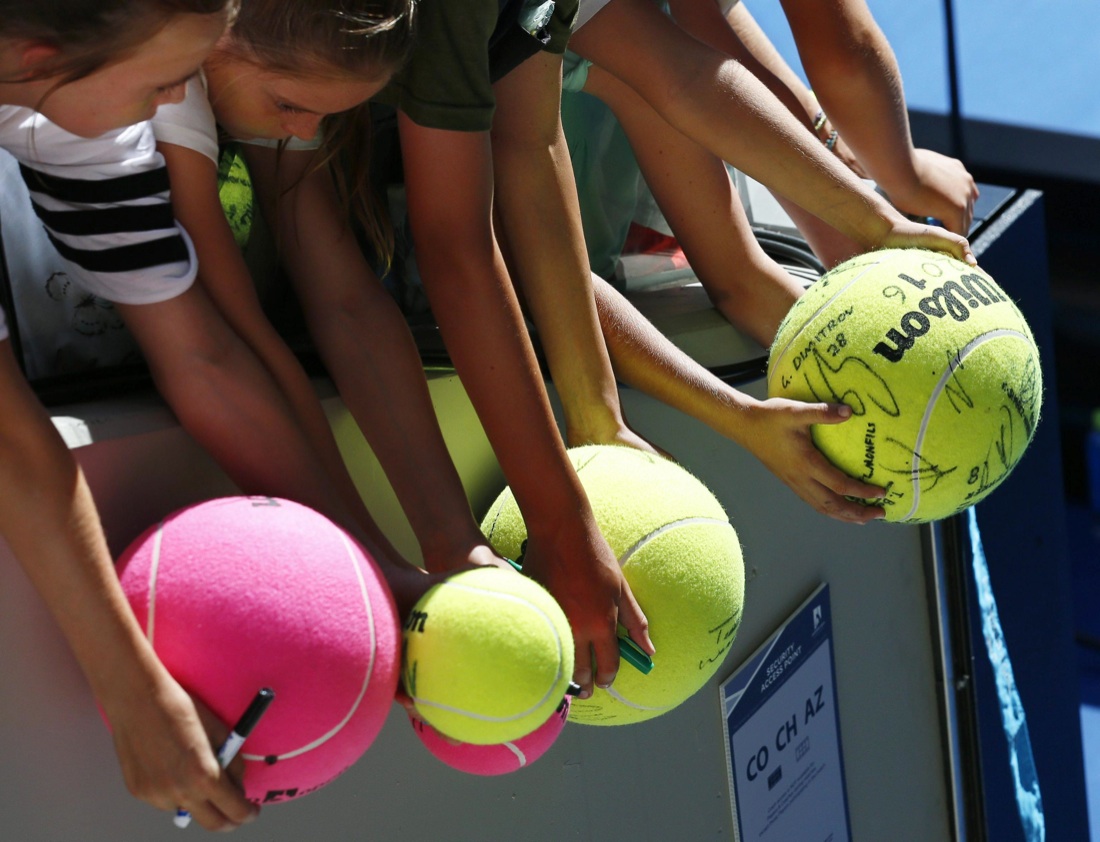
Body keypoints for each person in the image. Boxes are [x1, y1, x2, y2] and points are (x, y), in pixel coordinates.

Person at [0, 0, 259, 830]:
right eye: (161, 80)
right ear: (38, 61)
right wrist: (137, 695)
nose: (174, 100)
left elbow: (204, 357)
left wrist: (379, 563)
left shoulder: (63, 97)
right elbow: (8, 441)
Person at [149, 0, 507, 592]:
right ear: (216, 36)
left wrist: (452, 537)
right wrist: (370, 563)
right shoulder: (170, 83)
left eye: (329, 117)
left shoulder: (264, 76)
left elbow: (346, 302)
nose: (306, 131)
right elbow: (232, 339)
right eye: (290, 106)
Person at [559, 0, 977, 343]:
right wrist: (902, 178)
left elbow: (682, 51)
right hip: (561, 254)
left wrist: (853, 213)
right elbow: (841, 55)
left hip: (581, 206)